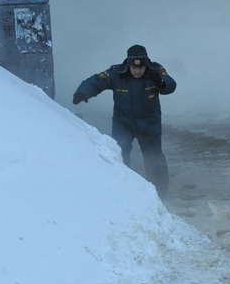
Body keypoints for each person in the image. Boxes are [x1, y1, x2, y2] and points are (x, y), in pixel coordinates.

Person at [73, 45, 176, 199]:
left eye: (141, 67)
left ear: (146, 64)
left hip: (149, 124)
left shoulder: (155, 71)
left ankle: (160, 195)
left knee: (154, 158)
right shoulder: (116, 72)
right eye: (134, 67)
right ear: (129, 63)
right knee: (119, 154)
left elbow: (170, 86)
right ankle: (123, 192)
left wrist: (160, 82)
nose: (137, 71)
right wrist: (82, 93)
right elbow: (96, 81)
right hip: (124, 123)